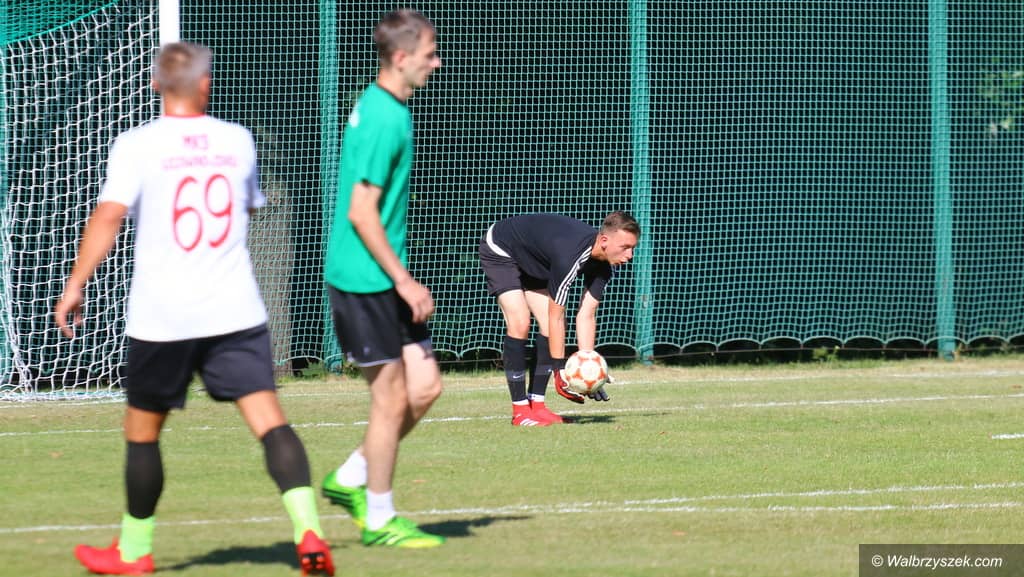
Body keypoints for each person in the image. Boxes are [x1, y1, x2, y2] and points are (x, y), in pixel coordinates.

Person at [53, 42, 334, 576]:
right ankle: (310, 534)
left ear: (155, 84)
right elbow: (248, 210)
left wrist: (75, 285)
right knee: (270, 422)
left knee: (142, 433)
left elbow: (109, 216)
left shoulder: (137, 144)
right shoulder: (237, 140)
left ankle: (134, 552)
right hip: (234, 310)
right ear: (206, 85)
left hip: (164, 315)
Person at [320, 10, 445, 548]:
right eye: (429, 55)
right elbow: (361, 212)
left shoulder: (389, 108)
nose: (436, 63)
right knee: (391, 400)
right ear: (400, 57)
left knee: (426, 387)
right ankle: (379, 518)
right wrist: (405, 280)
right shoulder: (382, 118)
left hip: (382, 279)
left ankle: (350, 477)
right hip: (364, 280)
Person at [479, 211, 641, 426]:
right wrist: (559, 370)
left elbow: (586, 315)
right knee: (521, 321)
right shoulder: (570, 256)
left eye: (633, 248)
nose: (630, 255)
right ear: (604, 241)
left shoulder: (604, 268)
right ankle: (520, 412)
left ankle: (537, 406)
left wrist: (590, 371)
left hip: (536, 260)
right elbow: (556, 315)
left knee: (550, 327)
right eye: (625, 247)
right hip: (502, 247)